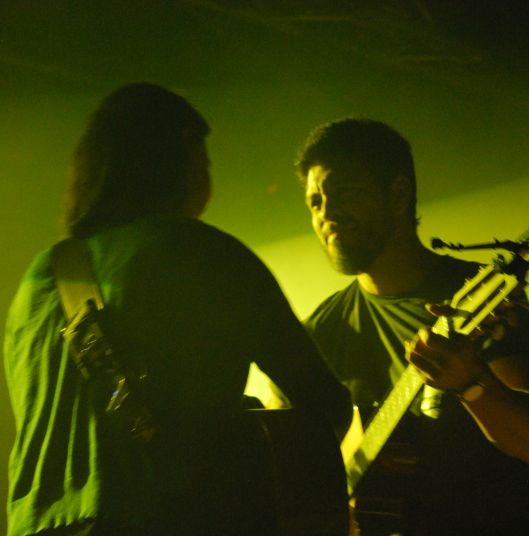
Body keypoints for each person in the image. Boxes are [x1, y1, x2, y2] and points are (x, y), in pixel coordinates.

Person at [4, 83, 352, 536]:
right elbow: (325, 407)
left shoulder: (40, 277)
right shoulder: (201, 252)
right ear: (184, 155)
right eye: (205, 161)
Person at [296, 117, 529, 535]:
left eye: (344, 192)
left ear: (398, 194)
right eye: (315, 202)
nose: (328, 213)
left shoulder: (477, 294)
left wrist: (472, 383)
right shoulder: (319, 332)